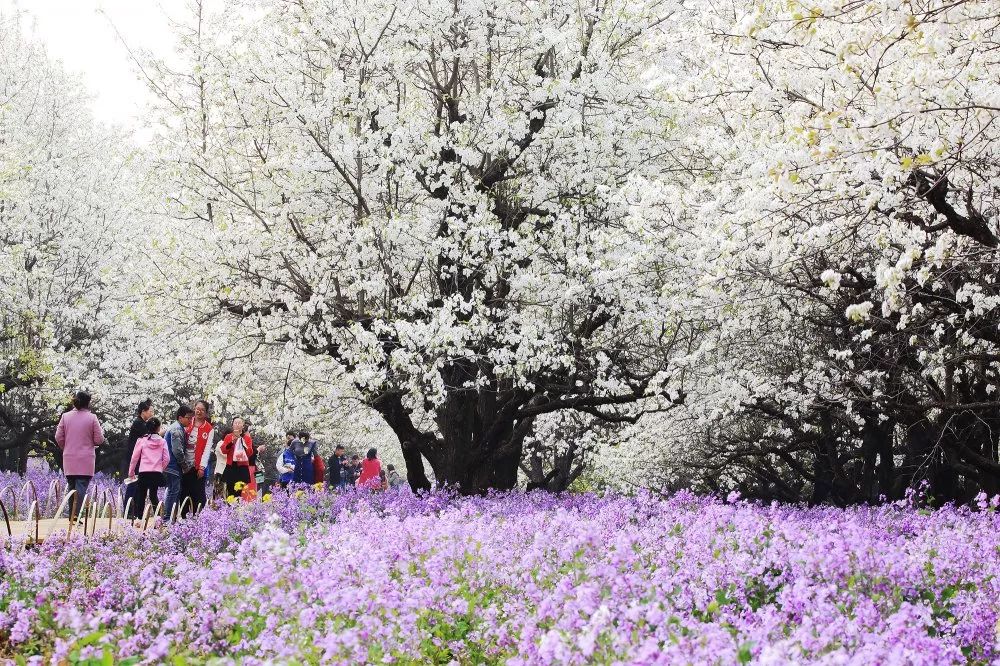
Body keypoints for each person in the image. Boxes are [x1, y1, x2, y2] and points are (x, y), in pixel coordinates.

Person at [55, 391, 106, 520]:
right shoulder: (92, 418)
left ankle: (72, 515)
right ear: (88, 403)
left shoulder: (65, 417)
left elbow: (58, 437)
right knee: (81, 486)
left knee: (71, 486)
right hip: (86, 458)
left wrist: (66, 447)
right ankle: (76, 515)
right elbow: (99, 439)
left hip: (69, 456)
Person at [128, 418, 169, 520]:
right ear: (159, 428)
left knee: (141, 496)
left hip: (144, 472)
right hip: (156, 472)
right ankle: (158, 518)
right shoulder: (163, 441)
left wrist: (131, 472)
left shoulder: (142, 441)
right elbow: (167, 458)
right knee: (153, 495)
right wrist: (161, 468)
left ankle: (139, 518)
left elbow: (134, 458)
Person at [181, 399, 214, 517]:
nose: (199, 412)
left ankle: (198, 519)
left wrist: (202, 467)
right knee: (183, 492)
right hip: (184, 464)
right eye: (197, 409)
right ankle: (182, 517)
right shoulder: (187, 422)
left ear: (206, 413)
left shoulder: (209, 429)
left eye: (202, 410)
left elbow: (207, 450)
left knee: (198, 494)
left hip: (197, 466)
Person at [122, 399, 153, 518]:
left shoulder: (142, 423)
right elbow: (149, 437)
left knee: (138, 485)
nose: (152, 414)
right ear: (143, 412)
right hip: (134, 460)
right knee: (133, 484)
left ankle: (133, 511)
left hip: (138, 459)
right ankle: (128, 510)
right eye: (150, 411)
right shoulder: (138, 424)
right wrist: (160, 433)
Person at [163, 405, 195, 521]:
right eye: (188, 418)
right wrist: (184, 465)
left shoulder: (178, 428)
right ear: (180, 418)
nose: (190, 420)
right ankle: (167, 519)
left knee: (174, 491)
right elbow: (177, 451)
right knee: (173, 491)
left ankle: (171, 518)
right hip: (172, 465)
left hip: (171, 466)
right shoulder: (176, 429)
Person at [220, 417, 254, 498]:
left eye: (239, 423)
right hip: (231, 467)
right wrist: (232, 442)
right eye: (235, 423)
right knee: (230, 491)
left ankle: (237, 508)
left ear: (243, 426)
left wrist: (242, 442)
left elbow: (250, 453)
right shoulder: (228, 436)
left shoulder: (247, 438)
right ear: (232, 425)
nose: (237, 425)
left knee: (239, 493)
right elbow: (224, 450)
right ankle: (229, 508)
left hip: (241, 467)